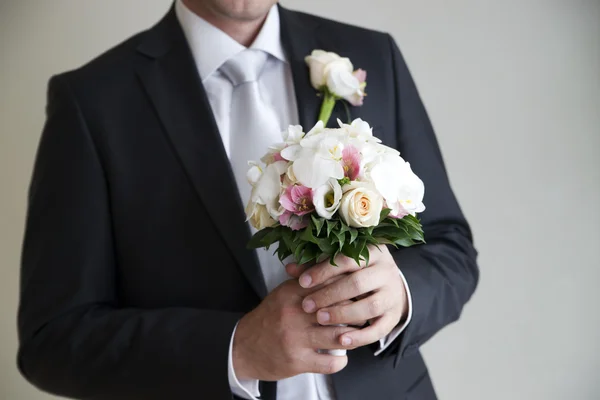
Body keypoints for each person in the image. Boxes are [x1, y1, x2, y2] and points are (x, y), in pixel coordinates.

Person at [17, 1, 479, 399]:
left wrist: (399, 295)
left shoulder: (373, 56)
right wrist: (236, 348)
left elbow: (449, 244)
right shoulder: (92, 100)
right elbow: (53, 339)